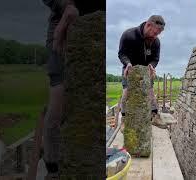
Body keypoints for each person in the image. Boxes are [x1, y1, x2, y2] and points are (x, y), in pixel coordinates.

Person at [42, 0, 104, 179]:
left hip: (98, 24)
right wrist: (64, 4)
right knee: (58, 102)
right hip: (67, 22)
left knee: (89, 107)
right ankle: (53, 170)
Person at [118, 15, 167, 129]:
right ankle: (124, 119)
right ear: (148, 25)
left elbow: (155, 58)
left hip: (146, 71)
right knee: (126, 92)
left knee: (150, 92)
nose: (156, 36)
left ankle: (154, 116)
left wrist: (152, 65)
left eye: (158, 34)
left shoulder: (156, 42)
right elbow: (122, 54)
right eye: (155, 33)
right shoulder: (128, 35)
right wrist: (127, 63)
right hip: (129, 69)